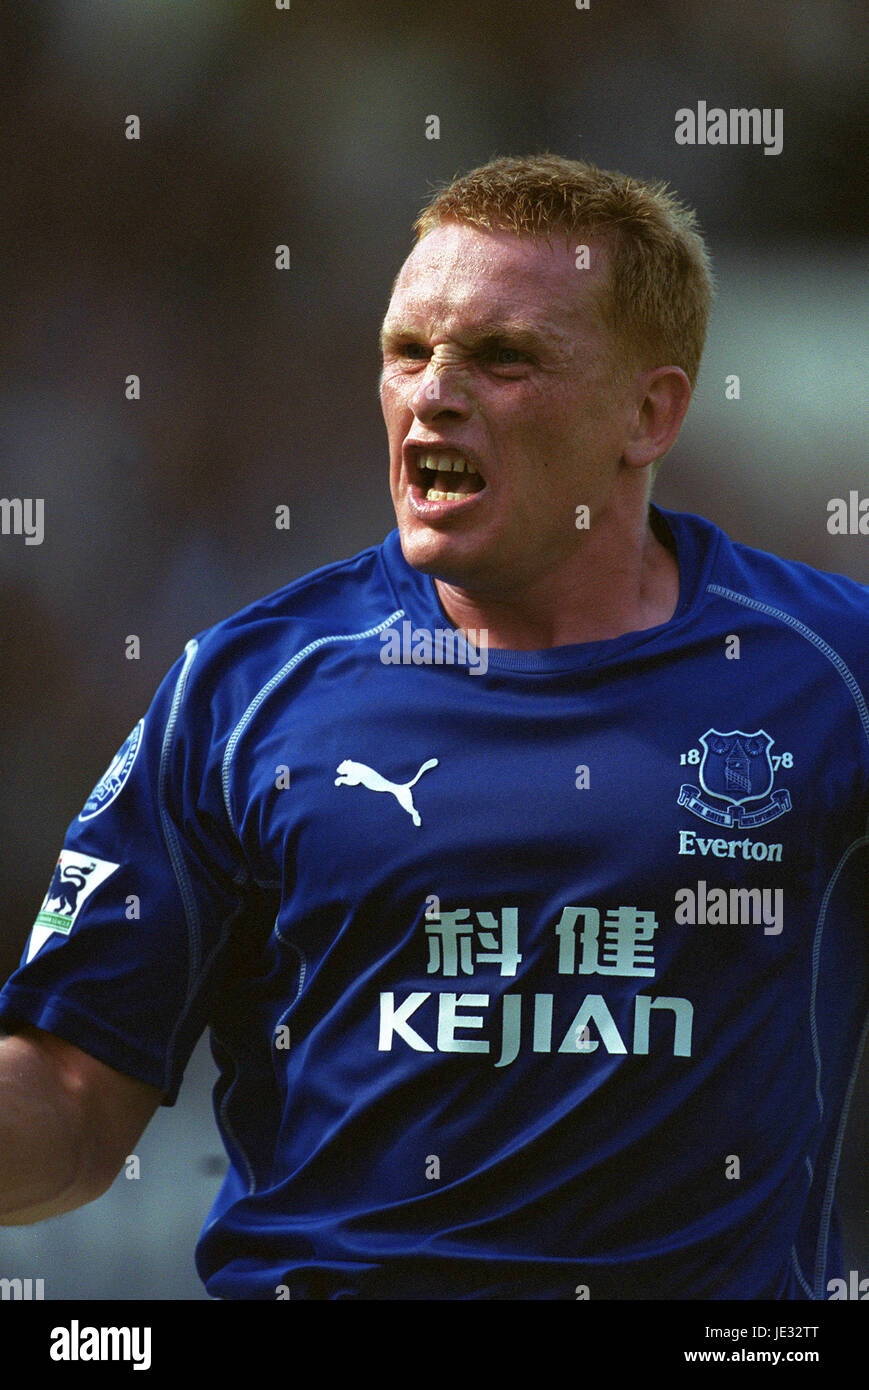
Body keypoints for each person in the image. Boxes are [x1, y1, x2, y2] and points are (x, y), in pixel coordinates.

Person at [1, 154, 867, 1301]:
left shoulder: (827, 672)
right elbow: (71, 1095)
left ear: (647, 410)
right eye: (405, 352)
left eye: (503, 357)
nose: (432, 394)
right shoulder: (246, 687)